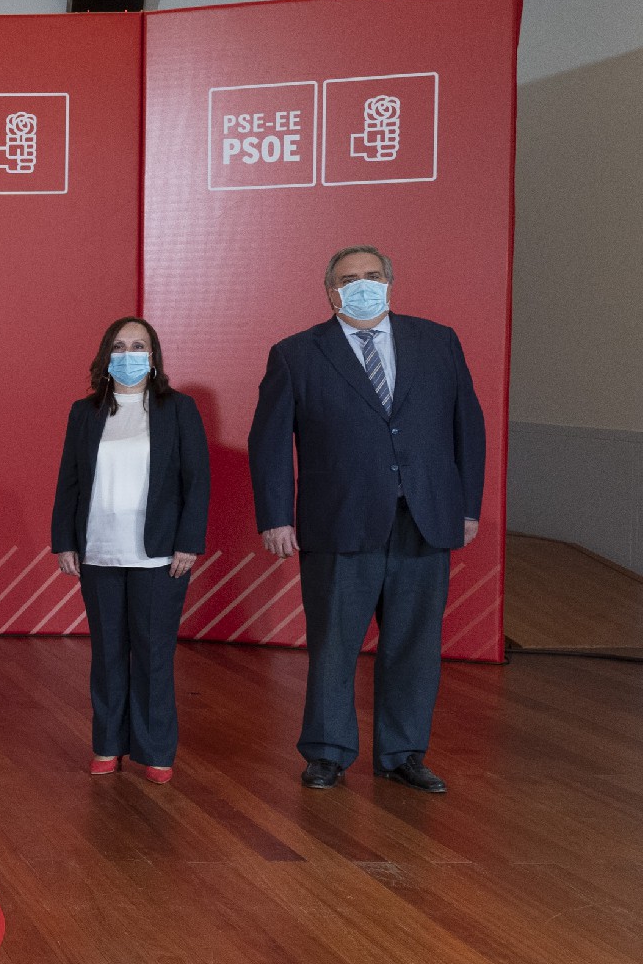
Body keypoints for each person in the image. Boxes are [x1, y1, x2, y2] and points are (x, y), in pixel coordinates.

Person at [249, 246, 485, 794]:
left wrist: (466, 506)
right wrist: (275, 517)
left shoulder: (438, 342)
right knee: (334, 642)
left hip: (424, 518)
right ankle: (327, 753)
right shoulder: (296, 354)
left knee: (414, 643)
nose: (362, 285)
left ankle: (403, 753)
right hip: (339, 522)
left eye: (372, 276)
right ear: (330, 292)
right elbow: (269, 446)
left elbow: (466, 428)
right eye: (348, 279)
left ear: (390, 283)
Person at [50, 317, 209, 784]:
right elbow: (69, 483)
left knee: (154, 654)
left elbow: (196, 481)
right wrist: (65, 541)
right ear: (105, 356)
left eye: (139, 346)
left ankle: (156, 750)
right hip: (99, 552)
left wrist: (188, 542)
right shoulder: (85, 412)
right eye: (119, 346)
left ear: (154, 356)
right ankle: (107, 746)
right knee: (107, 654)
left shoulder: (178, 409)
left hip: (159, 556)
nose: (129, 354)